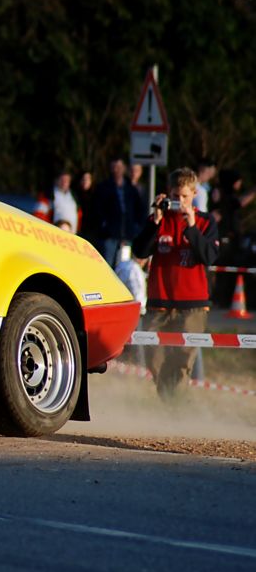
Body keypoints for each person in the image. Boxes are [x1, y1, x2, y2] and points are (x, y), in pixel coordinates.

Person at [131, 167, 220, 399]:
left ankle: (177, 410)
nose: (179, 201)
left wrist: (191, 227)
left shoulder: (204, 221)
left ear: (193, 194)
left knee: (182, 360)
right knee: (155, 358)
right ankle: (167, 402)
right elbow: (139, 250)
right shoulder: (159, 220)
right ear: (168, 193)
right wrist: (155, 221)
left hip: (192, 305)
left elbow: (209, 256)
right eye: (175, 196)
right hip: (160, 301)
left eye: (184, 196)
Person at [211, 168, 256, 307]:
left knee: (228, 271)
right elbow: (240, 202)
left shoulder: (226, 195)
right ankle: (219, 299)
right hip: (225, 239)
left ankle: (223, 298)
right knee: (224, 270)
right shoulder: (224, 195)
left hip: (230, 238)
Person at [91, 157, 147, 266]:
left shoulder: (131, 188)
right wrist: (104, 225)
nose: (117, 170)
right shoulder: (104, 187)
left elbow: (139, 209)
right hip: (109, 235)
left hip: (128, 234)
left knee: (124, 267)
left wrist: (136, 227)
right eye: (114, 167)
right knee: (107, 266)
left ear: (124, 168)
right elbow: (97, 209)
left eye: (119, 167)